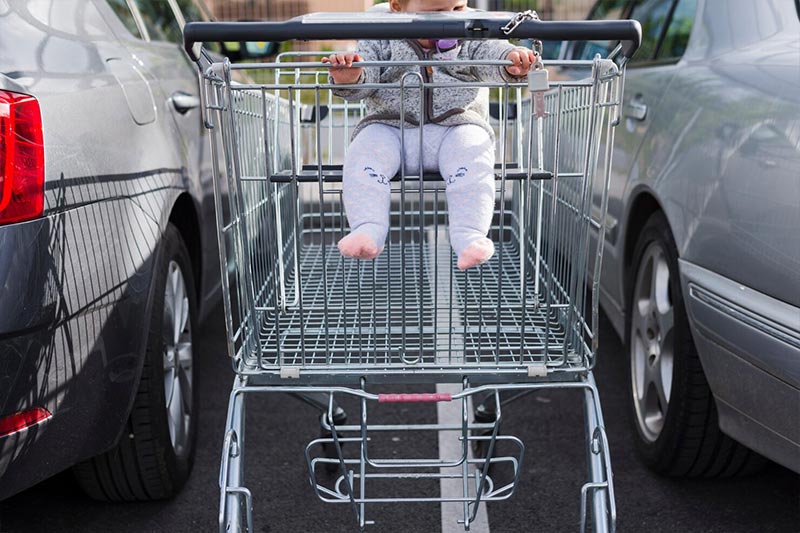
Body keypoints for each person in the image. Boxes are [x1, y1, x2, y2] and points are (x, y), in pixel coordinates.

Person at [324, 0, 535, 270]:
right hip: (391, 126)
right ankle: (367, 228)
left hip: (456, 125)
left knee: (475, 157)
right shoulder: (379, 34)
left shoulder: (471, 32)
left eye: (457, 9)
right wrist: (351, 77)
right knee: (363, 154)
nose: (449, 19)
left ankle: (469, 234)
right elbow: (368, 74)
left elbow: (491, 52)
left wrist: (509, 62)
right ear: (398, 7)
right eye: (436, 13)